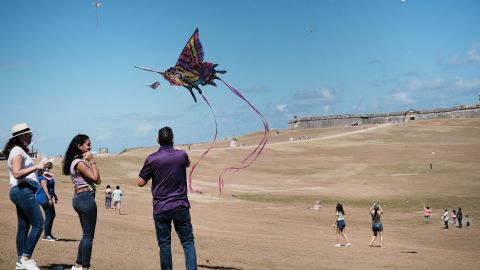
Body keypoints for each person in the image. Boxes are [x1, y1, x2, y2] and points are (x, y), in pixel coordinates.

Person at [137, 126, 197, 270]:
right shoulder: (182, 155)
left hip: (161, 207)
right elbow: (187, 163)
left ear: (157, 140)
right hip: (180, 205)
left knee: (164, 245)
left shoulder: (152, 159)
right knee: (188, 242)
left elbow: (140, 182)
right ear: (173, 139)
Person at [4, 123, 47, 270]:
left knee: (23, 226)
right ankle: (26, 258)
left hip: (21, 190)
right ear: (22, 136)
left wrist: (40, 173)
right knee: (39, 224)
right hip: (23, 191)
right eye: (30, 135)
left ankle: (20, 261)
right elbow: (17, 173)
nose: (31, 137)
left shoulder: (18, 150)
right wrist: (36, 167)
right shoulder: (17, 151)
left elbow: (22, 172)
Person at [62, 134, 101, 270]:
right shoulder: (79, 163)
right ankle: (85, 267)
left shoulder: (76, 161)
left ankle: (78, 265)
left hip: (80, 198)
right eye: (87, 144)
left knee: (86, 235)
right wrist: (92, 160)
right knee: (89, 236)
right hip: (85, 198)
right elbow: (97, 179)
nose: (90, 146)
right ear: (79, 147)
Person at [36, 167, 59, 241]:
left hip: (46, 197)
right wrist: (49, 198)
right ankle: (46, 236)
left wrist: (54, 196)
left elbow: (50, 188)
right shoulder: (43, 177)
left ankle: (49, 234)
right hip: (44, 198)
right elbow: (45, 188)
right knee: (50, 215)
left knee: (51, 215)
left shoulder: (46, 176)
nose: (47, 169)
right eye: (46, 168)